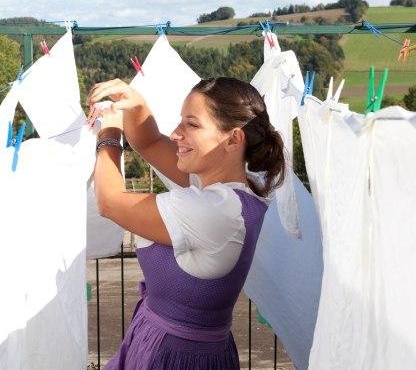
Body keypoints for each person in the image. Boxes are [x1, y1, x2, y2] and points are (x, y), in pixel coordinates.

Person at [86, 76, 287, 369]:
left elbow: (110, 202)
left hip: (173, 357)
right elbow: (151, 141)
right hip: (165, 341)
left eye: (191, 125)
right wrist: (135, 101)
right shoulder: (234, 183)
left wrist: (110, 133)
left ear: (233, 139)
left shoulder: (216, 210)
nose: (176, 133)